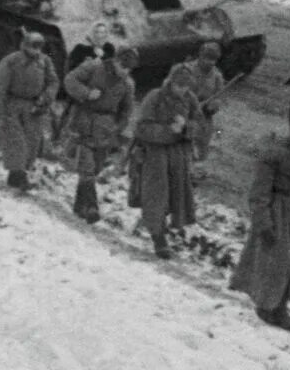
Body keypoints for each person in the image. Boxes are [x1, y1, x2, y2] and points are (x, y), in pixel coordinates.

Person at [230, 104, 290, 331]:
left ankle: (276, 306)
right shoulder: (277, 151)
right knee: (281, 262)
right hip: (279, 211)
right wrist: (263, 221)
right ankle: (271, 307)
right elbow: (259, 191)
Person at [128, 66, 198, 259]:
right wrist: (169, 131)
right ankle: (159, 239)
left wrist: (185, 128)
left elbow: (198, 125)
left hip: (178, 158)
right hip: (154, 154)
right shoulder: (155, 97)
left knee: (174, 198)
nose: (182, 90)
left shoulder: (190, 99)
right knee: (155, 196)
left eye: (186, 86)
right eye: (179, 85)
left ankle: (156, 226)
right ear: (171, 81)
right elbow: (141, 128)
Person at [62, 46, 138, 222]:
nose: (124, 71)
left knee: (94, 169)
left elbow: (126, 112)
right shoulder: (94, 67)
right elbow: (70, 80)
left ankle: (79, 206)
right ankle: (91, 208)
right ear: (116, 61)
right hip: (83, 121)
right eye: (123, 67)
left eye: (128, 69)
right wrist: (87, 93)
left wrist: (116, 129)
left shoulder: (128, 84)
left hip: (104, 130)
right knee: (86, 167)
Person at [0, 32, 58, 191]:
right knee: (17, 142)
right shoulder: (12, 61)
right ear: (25, 45)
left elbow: (53, 82)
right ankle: (20, 178)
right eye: (33, 47)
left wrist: (45, 98)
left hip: (33, 107)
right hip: (13, 105)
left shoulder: (45, 62)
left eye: (39, 47)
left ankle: (15, 177)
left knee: (32, 143)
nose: (37, 51)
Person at [169, 43, 226, 168]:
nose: (210, 62)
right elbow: (169, 90)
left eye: (214, 59)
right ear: (200, 55)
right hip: (180, 113)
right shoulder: (183, 70)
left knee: (199, 150)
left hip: (202, 119)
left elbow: (218, 98)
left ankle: (192, 172)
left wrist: (213, 106)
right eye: (207, 58)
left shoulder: (217, 77)